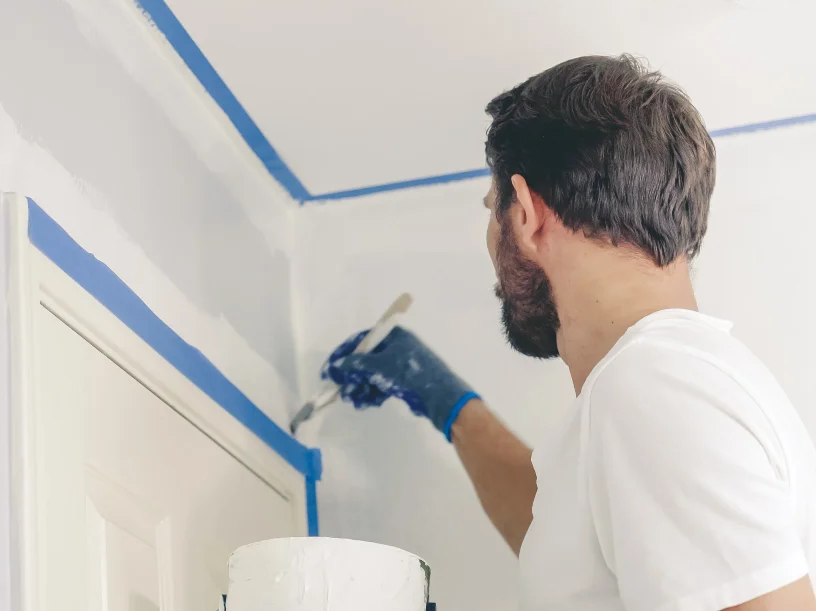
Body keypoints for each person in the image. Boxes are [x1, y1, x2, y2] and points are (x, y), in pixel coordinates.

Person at [323, 55, 816, 611]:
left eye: (494, 210)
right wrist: (446, 401)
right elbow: (560, 539)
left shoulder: (652, 387)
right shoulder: (670, 383)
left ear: (528, 214)